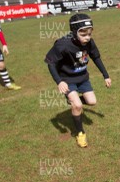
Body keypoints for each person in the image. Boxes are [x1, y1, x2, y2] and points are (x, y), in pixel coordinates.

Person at [44, 13, 111, 148]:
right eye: (84, 35)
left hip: (82, 78)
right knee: (78, 106)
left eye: (90, 34)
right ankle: (80, 133)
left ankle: (74, 100)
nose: (87, 38)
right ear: (74, 32)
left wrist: (106, 75)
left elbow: (96, 57)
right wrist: (59, 81)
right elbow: (50, 62)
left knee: (92, 101)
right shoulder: (62, 44)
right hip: (67, 79)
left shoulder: (89, 42)